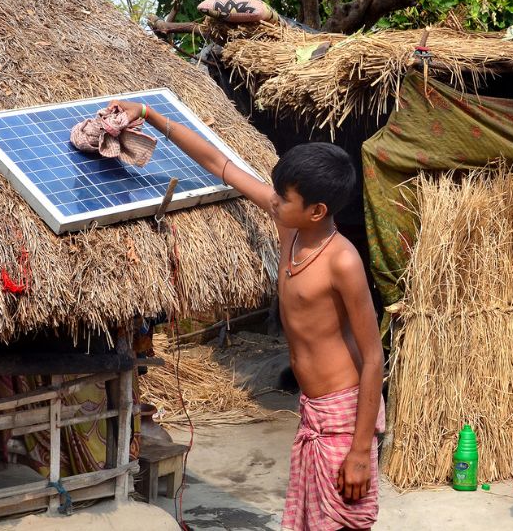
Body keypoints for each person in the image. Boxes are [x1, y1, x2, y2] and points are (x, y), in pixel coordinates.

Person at [109, 100, 385, 531]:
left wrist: (361, 452)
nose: (272, 200)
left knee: (344, 521)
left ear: (317, 210)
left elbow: (373, 359)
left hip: (344, 418)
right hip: (313, 410)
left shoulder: (343, 262)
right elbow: (218, 162)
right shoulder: (290, 227)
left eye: (284, 197)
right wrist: (148, 114)